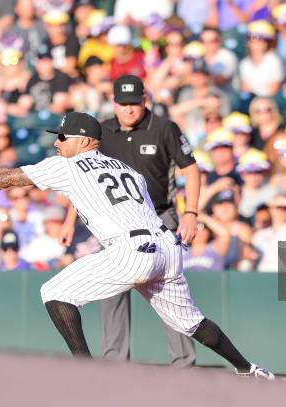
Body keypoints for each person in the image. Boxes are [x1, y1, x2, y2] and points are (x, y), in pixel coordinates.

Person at [0, 111, 274, 379]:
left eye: (62, 137)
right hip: (166, 247)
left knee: (54, 293)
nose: (56, 141)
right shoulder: (129, 170)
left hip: (130, 251)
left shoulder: (67, 166)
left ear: (83, 141)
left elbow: (9, 178)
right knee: (192, 322)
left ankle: (88, 375)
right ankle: (249, 369)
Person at [60, 75, 200, 367]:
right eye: (122, 103)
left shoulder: (164, 128)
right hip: (117, 222)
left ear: (144, 100)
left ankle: (183, 364)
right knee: (112, 287)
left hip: (159, 216)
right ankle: (115, 362)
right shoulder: (102, 131)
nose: (128, 109)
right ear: (113, 102)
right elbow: (82, 179)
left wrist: (191, 213)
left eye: (134, 103)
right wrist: (68, 219)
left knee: (168, 289)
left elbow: (191, 169)